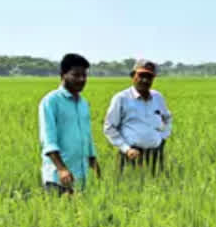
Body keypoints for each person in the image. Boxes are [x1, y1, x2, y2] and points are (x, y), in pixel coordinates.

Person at [39, 53, 101, 194]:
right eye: (76, 75)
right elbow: (48, 140)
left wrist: (94, 163)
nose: (81, 79)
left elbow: (87, 136)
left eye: (84, 75)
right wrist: (61, 169)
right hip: (58, 178)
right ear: (63, 75)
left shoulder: (83, 103)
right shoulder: (51, 101)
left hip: (81, 177)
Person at [103, 59, 173, 176]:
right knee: (129, 189)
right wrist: (126, 149)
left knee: (157, 186)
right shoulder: (121, 98)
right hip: (131, 155)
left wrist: (162, 138)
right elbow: (109, 127)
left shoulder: (158, 97)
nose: (145, 80)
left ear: (153, 78)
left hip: (155, 154)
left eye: (149, 77)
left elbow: (167, 118)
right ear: (132, 75)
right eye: (141, 75)